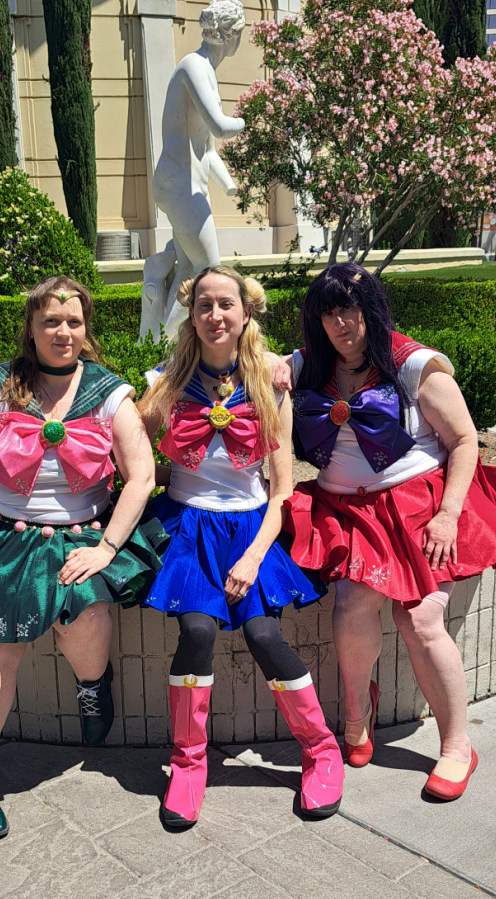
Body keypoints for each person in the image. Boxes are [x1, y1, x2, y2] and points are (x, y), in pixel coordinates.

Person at [0, 277, 167, 839]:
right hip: (2, 537)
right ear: (31, 328)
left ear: (86, 328)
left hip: (80, 537)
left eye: (73, 322)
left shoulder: (109, 393)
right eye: (50, 321)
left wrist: (106, 548)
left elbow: (141, 476)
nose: (62, 332)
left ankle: (93, 686)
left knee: (86, 622)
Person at [276, 264, 496, 801]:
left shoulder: (415, 364)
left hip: (418, 507)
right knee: (351, 603)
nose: (341, 322)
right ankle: (355, 709)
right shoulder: (309, 365)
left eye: (351, 309)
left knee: (419, 618)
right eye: (329, 312)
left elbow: (463, 441)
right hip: (346, 511)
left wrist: (449, 513)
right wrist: (271, 365)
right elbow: (245, 366)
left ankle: (457, 744)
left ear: (372, 311)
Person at [139, 266, 343, 828]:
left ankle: (321, 750)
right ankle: (187, 762)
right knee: (198, 630)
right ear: (192, 313)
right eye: (204, 305)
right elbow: (130, 454)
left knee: (263, 633)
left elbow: (281, 491)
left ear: (245, 312)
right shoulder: (166, 382)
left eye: (225, 304)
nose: (214, 316)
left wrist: (253, 557)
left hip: (253, 529)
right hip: (189, 528)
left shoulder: (270, 385)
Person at [150, 0, 246, 340]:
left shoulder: (206, 70)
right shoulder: (193, 66)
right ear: (230, 35)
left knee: (190, 269)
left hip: (187, 185)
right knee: (209, 272)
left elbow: (207, 148)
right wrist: (248, 118)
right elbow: (219, 128)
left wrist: (230, 186)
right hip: (179, 185)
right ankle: (159, 348)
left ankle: (160, 344)